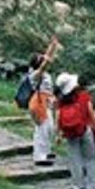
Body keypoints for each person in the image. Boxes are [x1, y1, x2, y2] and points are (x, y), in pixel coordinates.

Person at [54, 73, 95, 189]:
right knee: (90, 158)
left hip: (70, 133)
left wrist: (58, 134)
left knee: (74, 159)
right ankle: (93, 185)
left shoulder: (61, 101)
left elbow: (58, 117)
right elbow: (91, 113)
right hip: (85, 130)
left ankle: (78, 185)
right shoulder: (84, 96)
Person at [26, 36, 61, 166]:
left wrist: (53, 47)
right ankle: (39, 156)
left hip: (46, 102)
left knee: (49, 128)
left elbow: (46, 58)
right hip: (39, 102)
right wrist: (51, 53)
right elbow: (46, 63)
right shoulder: (35, 74)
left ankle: (45, 151)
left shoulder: (41, 72)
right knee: (42, 128)